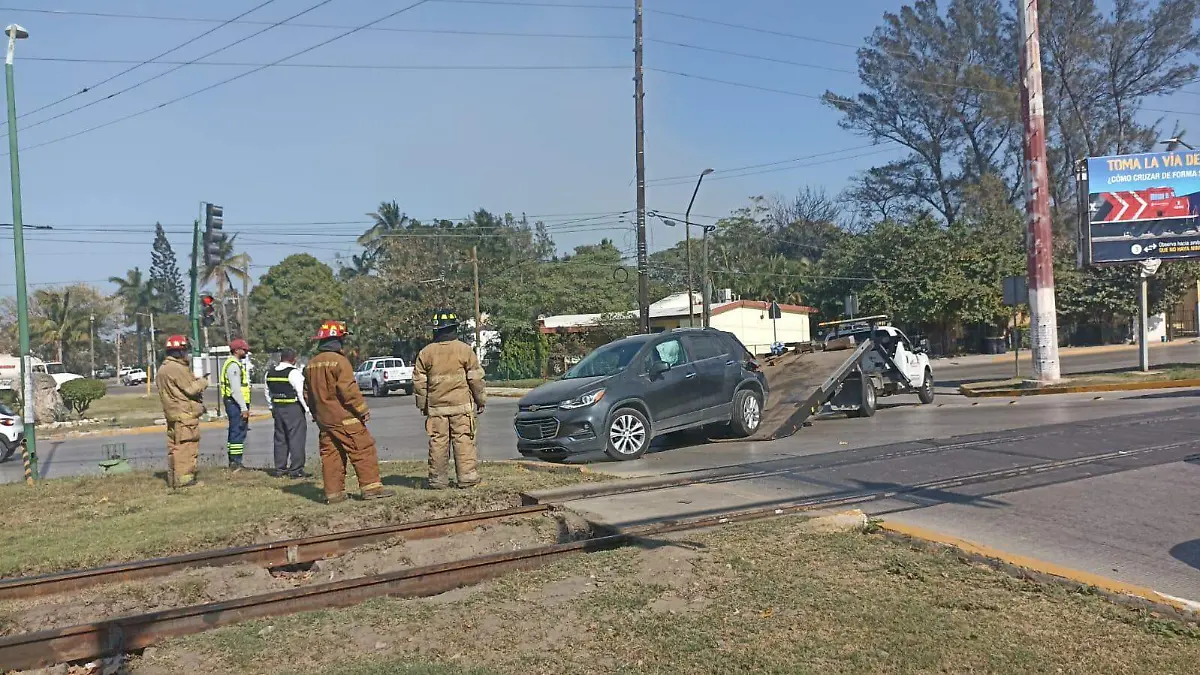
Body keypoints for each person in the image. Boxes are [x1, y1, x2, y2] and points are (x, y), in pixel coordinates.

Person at [303, 320, 393, 503]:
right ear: (338, 339)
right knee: (363, 449)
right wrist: (362, 410)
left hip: (325, 422)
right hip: (345, 419)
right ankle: (372, 489)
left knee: (331, 456)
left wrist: (316, 415)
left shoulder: (311, 364)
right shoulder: (339, 362)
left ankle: (334, 494)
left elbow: (307, 395)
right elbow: (348, 390)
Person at [413, 309, 486, 489]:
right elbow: (476, 379)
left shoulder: (425, 353)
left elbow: (419, 383)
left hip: (437, 409)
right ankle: (467, 477)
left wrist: (423, 405)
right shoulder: (464, 350)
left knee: (438, 443)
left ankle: (438, 480)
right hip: (462, 408)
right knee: (463, 440)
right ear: (455, 328)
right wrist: (481, 400)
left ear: (436, 330)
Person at [157, 335, 208, 488]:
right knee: (186, 447)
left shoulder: (163, 369)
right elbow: (192, 389)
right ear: (180, 352)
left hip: (173, 415)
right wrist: (203, 381)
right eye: (185, 350)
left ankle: (174, 478)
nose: (187, 354)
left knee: (175, 447)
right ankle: (185, 481)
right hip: (185, 415)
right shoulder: (177, 368)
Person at [267, 348, 310, 478]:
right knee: (296, 438)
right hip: (293, 408)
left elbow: (267, 393)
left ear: (281, 358)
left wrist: (272, 407)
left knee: (280, 438)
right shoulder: (294, 373)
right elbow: (301, 394)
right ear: (294, 359)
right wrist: (308, 409)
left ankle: (280, 469)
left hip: (278, 408)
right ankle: (296, 470)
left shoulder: (270, 373)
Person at [219, 338, 252, 471]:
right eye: (244, 349)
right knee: (237, 432)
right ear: (236, 350)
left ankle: (234, 461)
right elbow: (235, 390)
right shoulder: (233, 365)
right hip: (235, 404)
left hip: (234, 403)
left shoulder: (234, 363)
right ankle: (236, 462)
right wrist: (243, 408)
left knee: (235, 431)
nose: (246, 351)